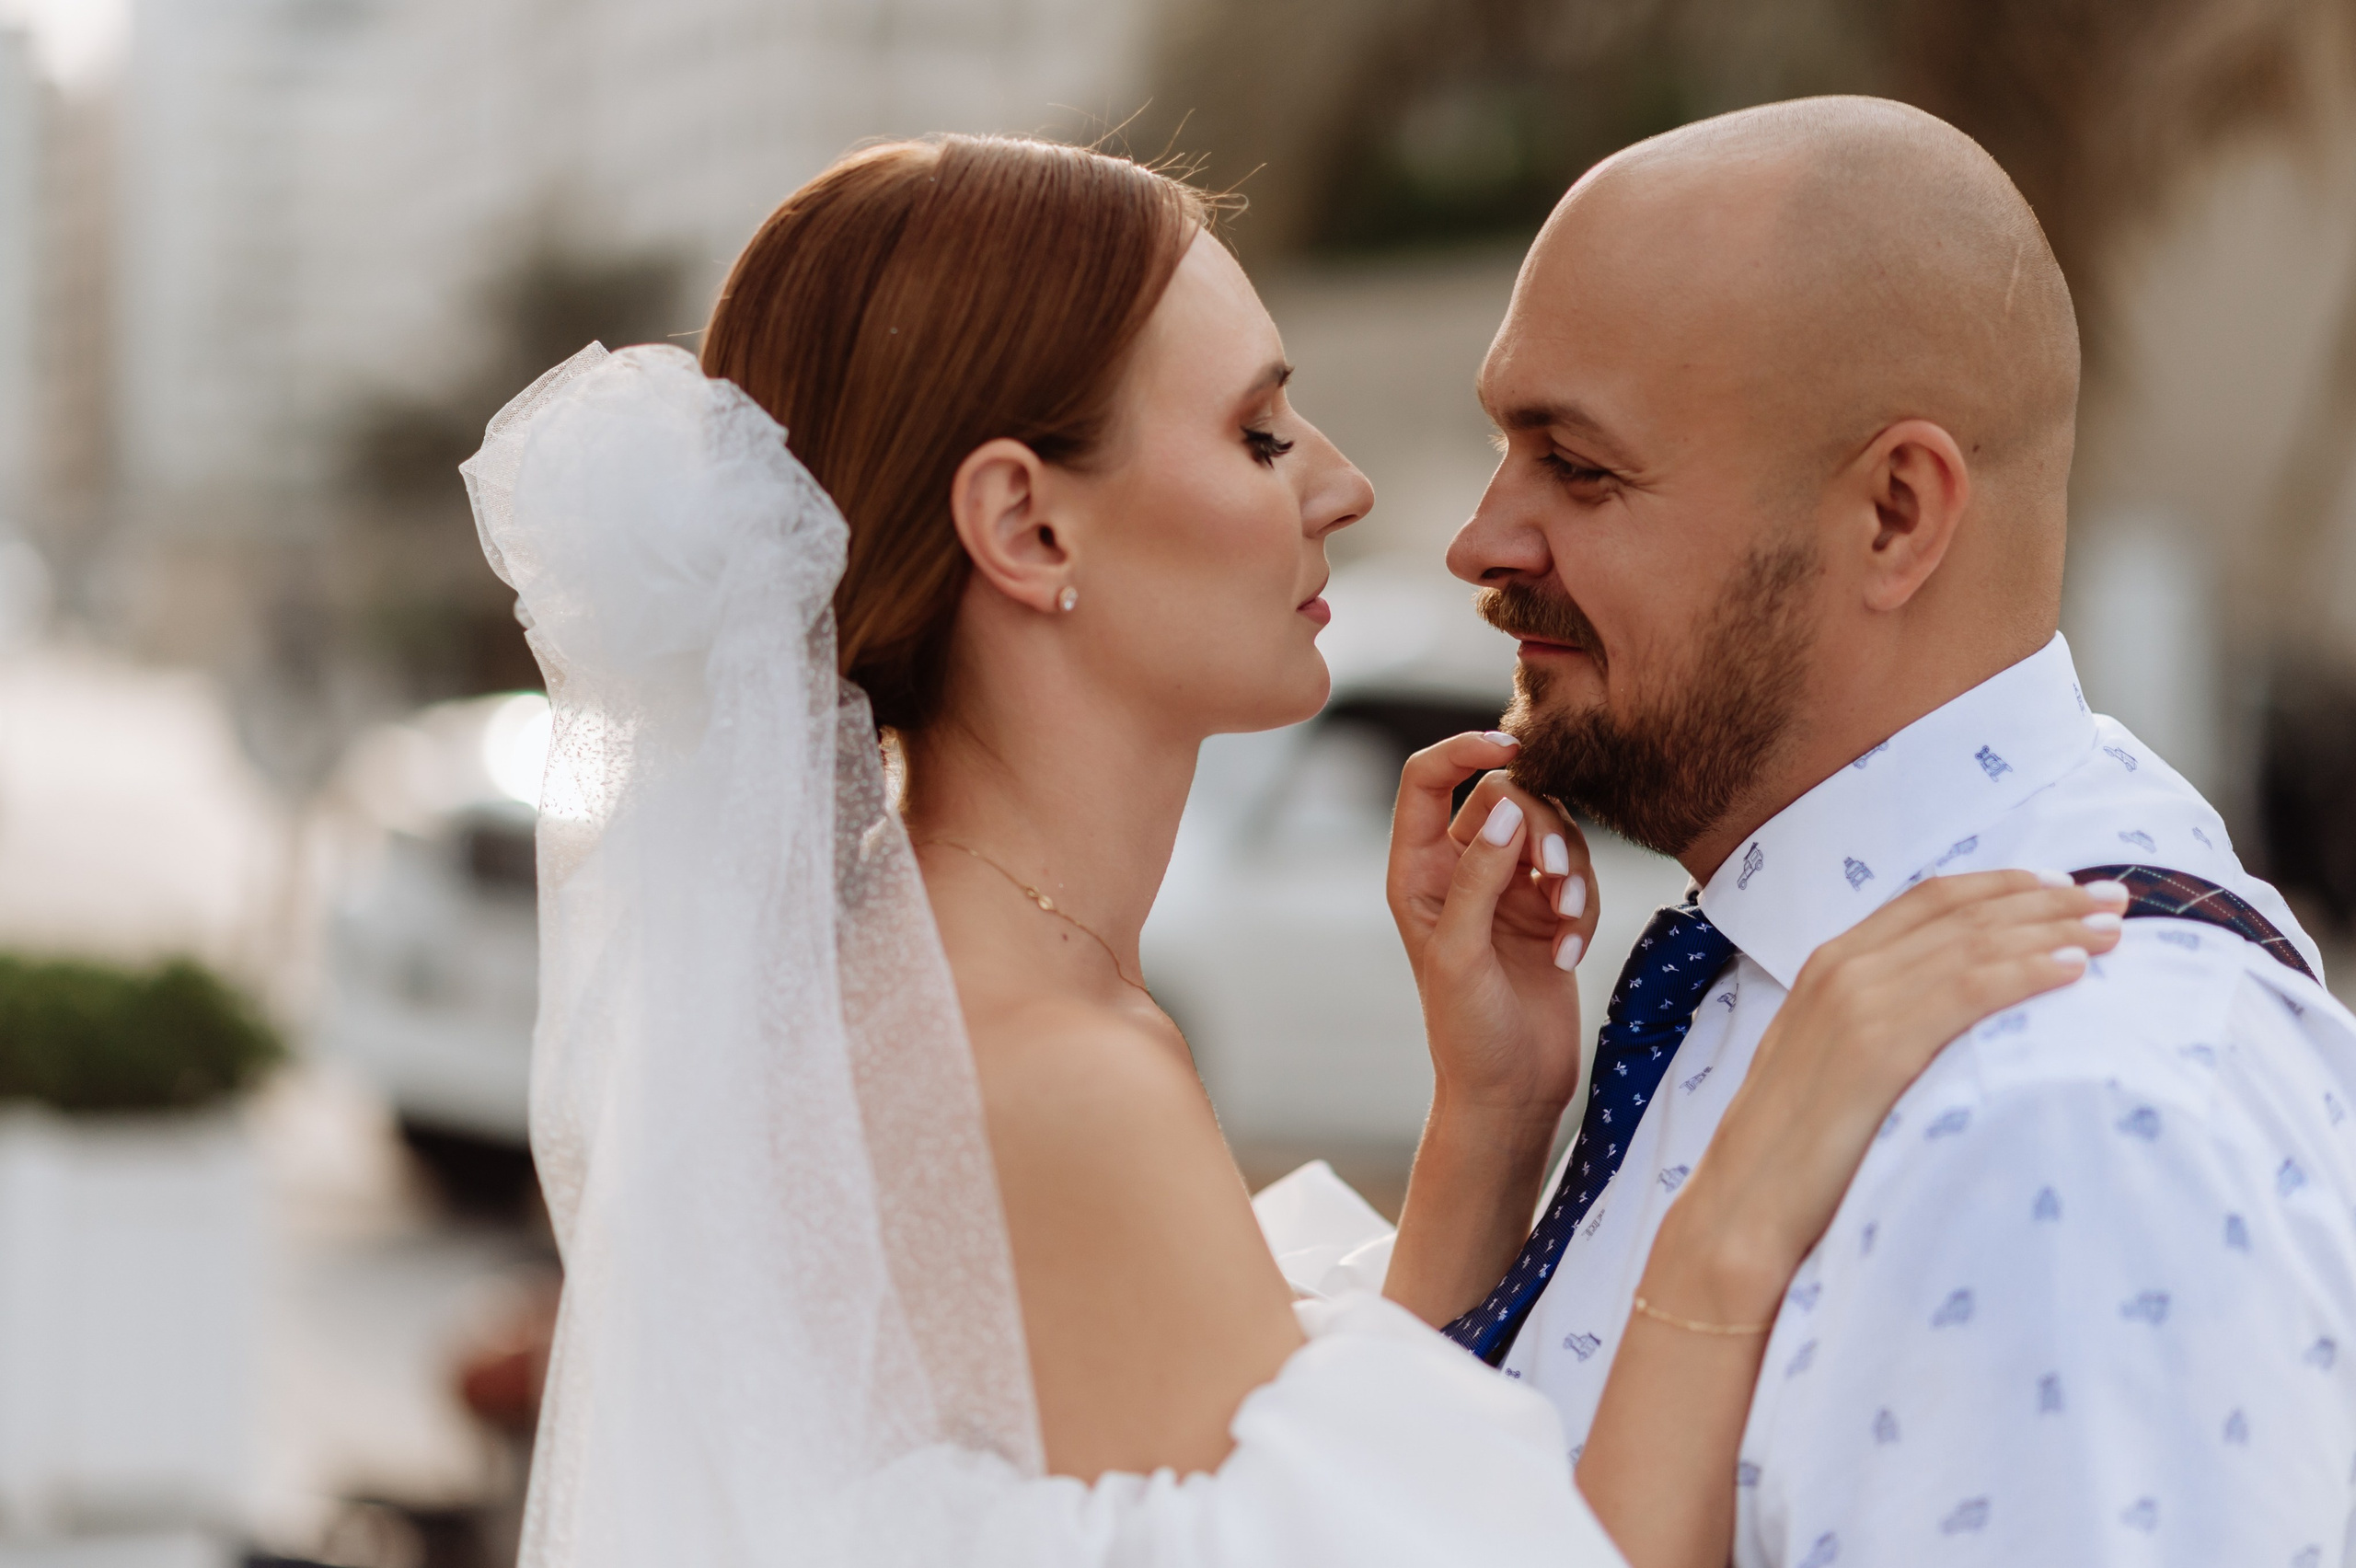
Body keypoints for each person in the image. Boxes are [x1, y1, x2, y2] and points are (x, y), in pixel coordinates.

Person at [462, 133, 2126, 1568]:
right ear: (1029, 527)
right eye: (1259, 434)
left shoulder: (962, 994)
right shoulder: (1044, 1074)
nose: (1343, 488)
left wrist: (1489, 1119)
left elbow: (1274, 1517)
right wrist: (1740, 1215)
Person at [1436, 96, 2356, 1565]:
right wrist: (1492, 1126)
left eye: (1580, 467)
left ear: (1894, 514)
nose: (1479, 539)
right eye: (1507, 448)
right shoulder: (1747, 992)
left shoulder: (2065, 1122)